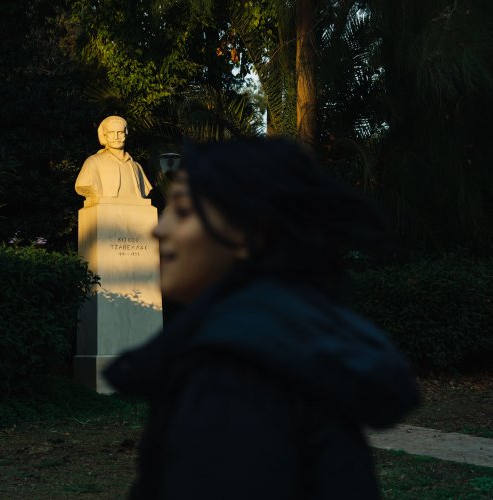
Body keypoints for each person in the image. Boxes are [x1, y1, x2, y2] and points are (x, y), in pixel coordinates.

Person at [103, 138, 420, 499]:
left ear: (247, 233)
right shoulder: (287, 337)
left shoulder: (232, 374)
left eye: (184, 211)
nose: (159, 230)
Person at [75, 116, 152, 201]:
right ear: (105, 135)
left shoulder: (136, 166)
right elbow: (83, 185)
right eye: (111, 132)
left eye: (120, 132)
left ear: (125, 134)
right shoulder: (93, 162)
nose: (116, 137)